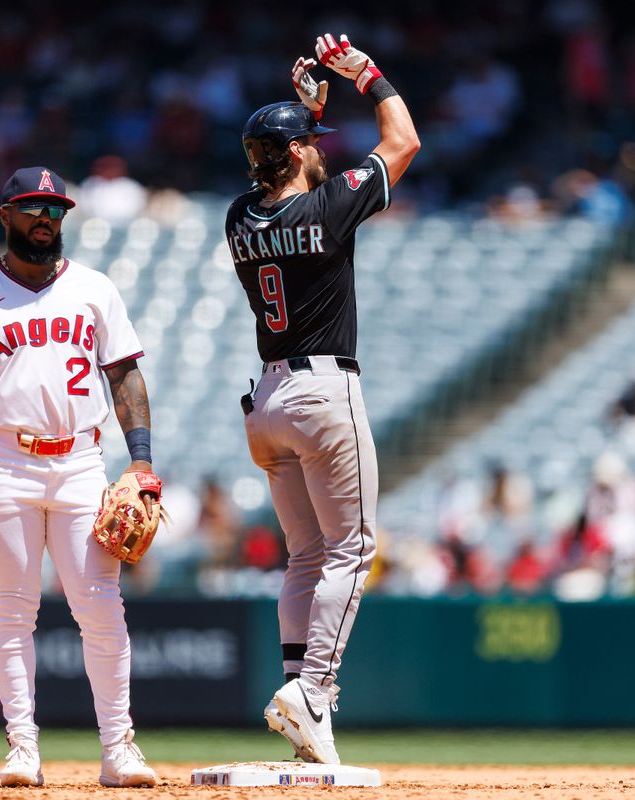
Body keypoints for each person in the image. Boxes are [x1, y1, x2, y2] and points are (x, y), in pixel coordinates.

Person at [0, 166, 159, 788]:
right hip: (3, 460)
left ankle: (119, 748)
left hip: (82, 460)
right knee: (11, 611)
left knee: (101, 607)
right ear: (6, 215)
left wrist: (140, 459)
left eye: (55, 209)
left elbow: (125, 375)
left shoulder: (94, 288)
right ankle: (23, 746)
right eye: (33, 208)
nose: (45, 219)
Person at [226, 33, 419, 765]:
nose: (323, 150)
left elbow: (279, 179)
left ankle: (307, 720)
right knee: (354, 547)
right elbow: (404, 139)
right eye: (314, 143)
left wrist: (302, 115)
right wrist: (365, 75)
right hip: (321, 391)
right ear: (300, 154)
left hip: (268, 399)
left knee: (304, 557)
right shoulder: (329, 208)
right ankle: (313, 692)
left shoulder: (238, 218)